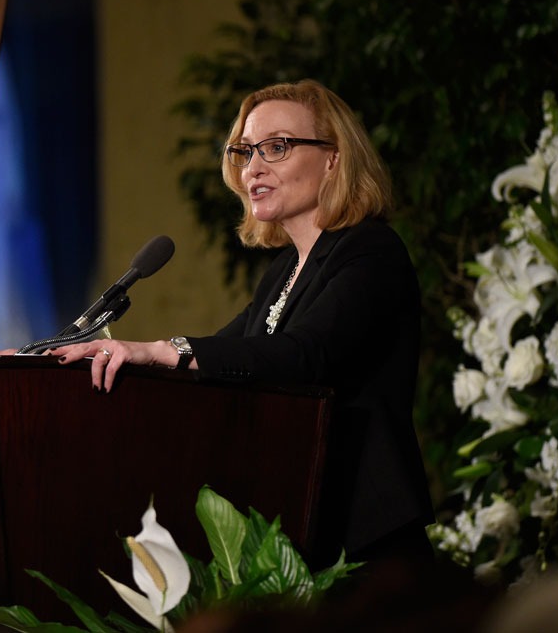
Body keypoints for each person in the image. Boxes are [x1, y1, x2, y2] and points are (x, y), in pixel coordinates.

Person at [53, 80, 434, 566]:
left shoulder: (370, 251)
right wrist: (78, 359)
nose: (253, 168)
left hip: (367, 543)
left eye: (277, 147)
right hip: (301, 535)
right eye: (245, 151)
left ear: (334, 158)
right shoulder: (282, 273)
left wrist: (165, 349)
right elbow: (225, 357)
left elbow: (304, 355)